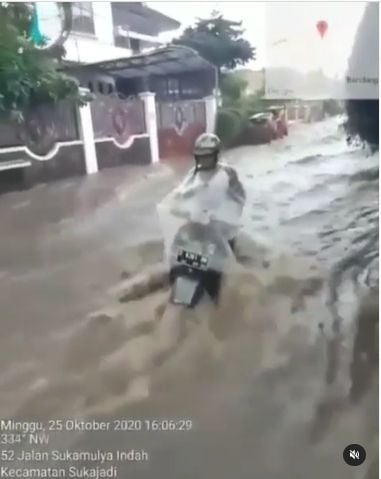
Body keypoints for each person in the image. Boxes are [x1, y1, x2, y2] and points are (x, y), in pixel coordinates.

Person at [173, 133, 246, 251]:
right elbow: (181, 192)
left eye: (207, 156)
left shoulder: (228, 172)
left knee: (224, 256)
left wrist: (222, 215)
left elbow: (239, 199)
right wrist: (178, 204)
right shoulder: (194, 172)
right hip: (199, 222)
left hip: (222, 225)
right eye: (201, 156)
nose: (204, 160)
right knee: (180, 238)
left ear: (216, 155)